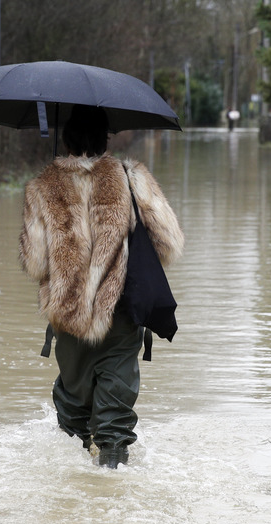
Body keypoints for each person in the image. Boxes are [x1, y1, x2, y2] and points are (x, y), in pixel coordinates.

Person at [18, 104, 185, 468]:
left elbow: (35, 265)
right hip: (120, 314)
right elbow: (169, 244)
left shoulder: (41, 187)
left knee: (72, 414)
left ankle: (70, 492)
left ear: (66, 137)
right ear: (105, 137)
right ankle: (111, 487)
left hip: (68, 319)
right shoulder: (130, 177)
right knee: (115, 417)